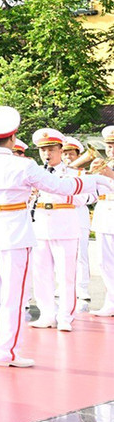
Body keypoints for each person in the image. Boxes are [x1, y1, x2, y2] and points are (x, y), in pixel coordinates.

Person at [0, 107, 103, 366]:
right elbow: (61, 186)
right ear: (13, 137)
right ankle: (7, 352)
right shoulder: (23, 164)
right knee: (13, 295)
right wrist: (93, 180)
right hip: (13, 231)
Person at [29, 129, 86, 332]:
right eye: (43, 150)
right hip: (40, 226)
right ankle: (46, 314)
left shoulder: (75, 173)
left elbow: (88, 197)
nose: (47, 154)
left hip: (65, 227)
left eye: (51, 150)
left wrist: (62, 191)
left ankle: (65, 316)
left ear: (61, 150)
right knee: (41, 273)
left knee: (66, 275)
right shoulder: (35, 172)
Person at [63, 136, 94, 305]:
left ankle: (82, 288)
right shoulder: (56, 173)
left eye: (71, 154)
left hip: (78, 215)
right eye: (65, 154)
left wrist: (76, 198)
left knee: (81, 254)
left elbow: (92, 195)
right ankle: (62, 286)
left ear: (78, 155)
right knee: (61, 253)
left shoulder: (85, 174)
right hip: (61, 217)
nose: (68, 158)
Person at [91, 125, 114, 318]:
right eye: (108, 145)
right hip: (105, 216)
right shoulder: (103, 165)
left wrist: (110, 175)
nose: (111, 150)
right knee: (105, 262)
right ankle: (111, 302)